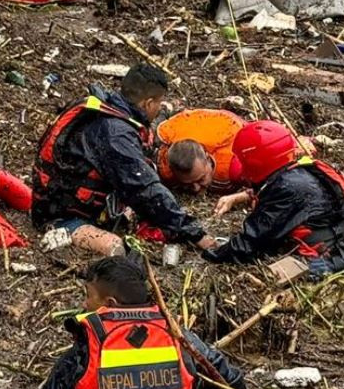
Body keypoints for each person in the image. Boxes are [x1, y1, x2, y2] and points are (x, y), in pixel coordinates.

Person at [25, 256, 245, 389]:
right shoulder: (175, 333)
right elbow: (232, 383)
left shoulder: (87, 342)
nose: (84, 304)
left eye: (88, 295)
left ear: (110, 304)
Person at [31, 64, 216, 256]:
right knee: (118, 248)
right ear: (148, 103)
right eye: (159, 103)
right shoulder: (115, 133)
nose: (160, 108)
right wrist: (196, 234)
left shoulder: (109, 108)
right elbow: (144, 188)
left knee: (149, 214)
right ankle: (63, 228)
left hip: (60, 195)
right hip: (61, 211)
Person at [203, 120, 344, 280]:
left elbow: (249, 244)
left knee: (276, 275)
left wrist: (211, 254)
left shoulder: (286, 189)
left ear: (257, 163)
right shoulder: (304, 170)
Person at [156, 108, 246, 194]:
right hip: (182, 127)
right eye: (187, 184)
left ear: (208, 159)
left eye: (201, 179)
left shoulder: (236, 163)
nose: (196, 189)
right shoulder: (165, 166)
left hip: (225, 126)